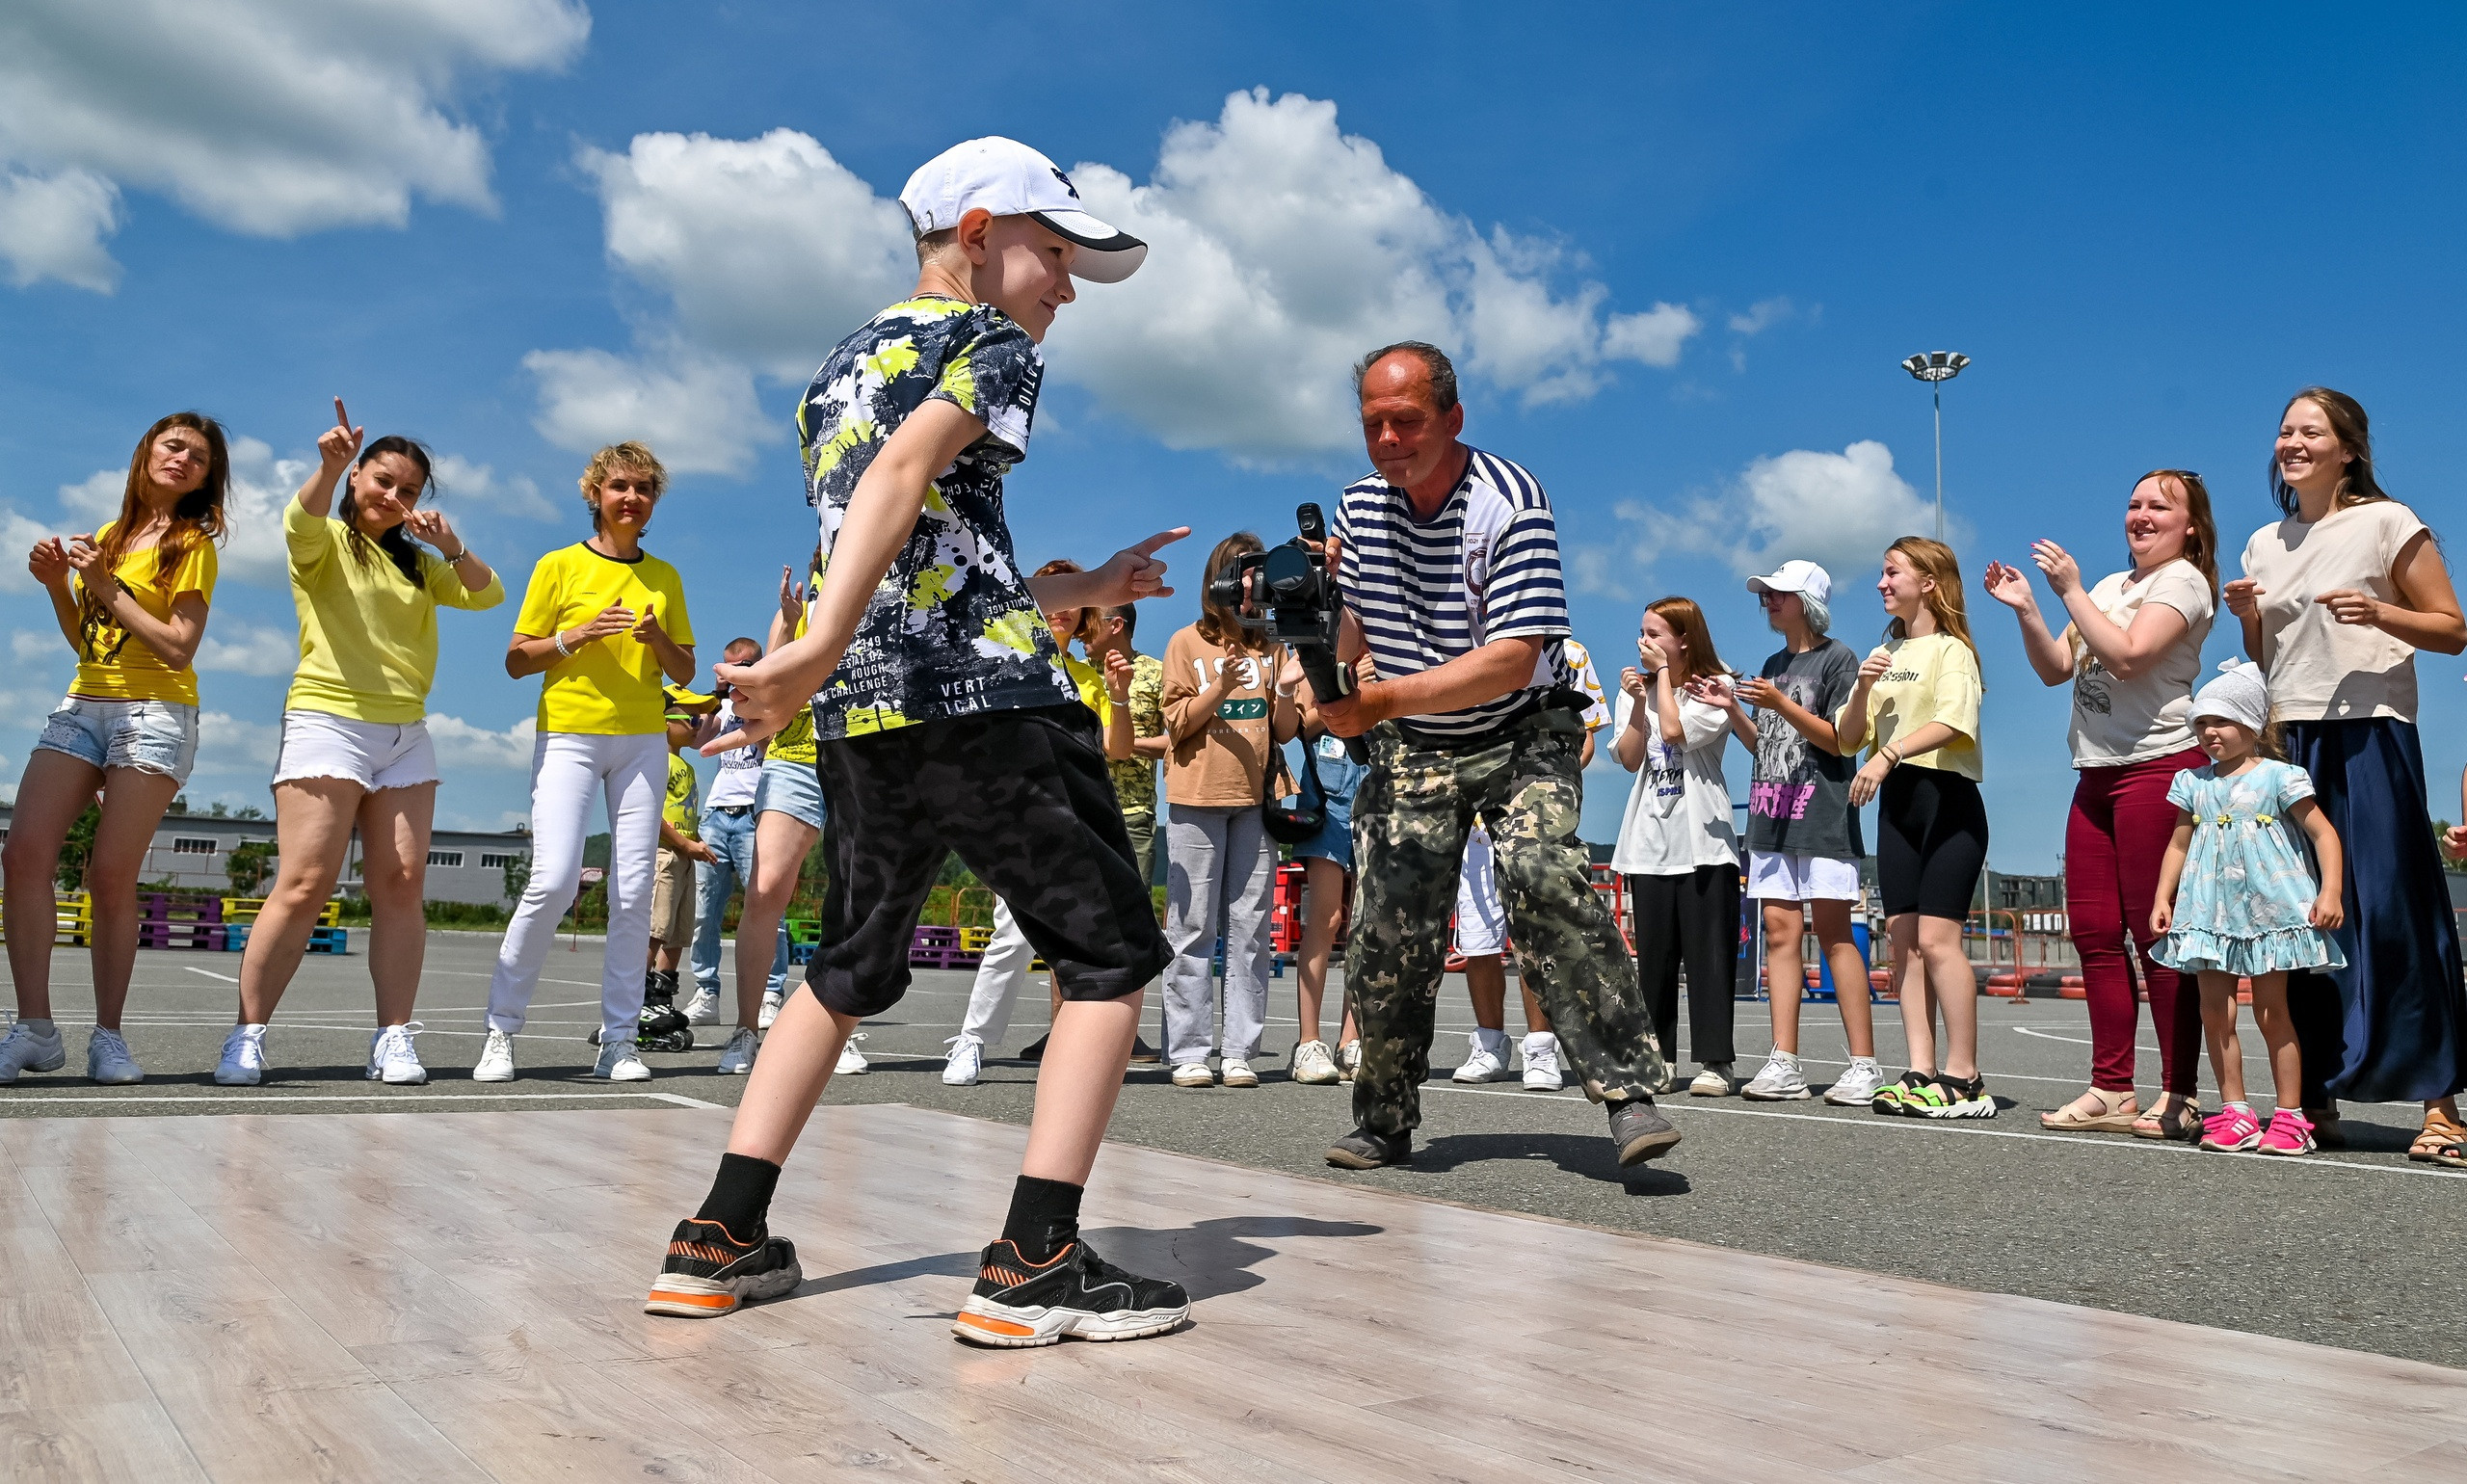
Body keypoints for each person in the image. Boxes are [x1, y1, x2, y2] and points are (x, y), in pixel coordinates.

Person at [644, 136, 1193, 1346]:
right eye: (1054, 253)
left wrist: (1083, 583)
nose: (1063, 285)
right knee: (1107, 960)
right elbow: (907, 472)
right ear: (981, 229)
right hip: (989, 710)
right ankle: (1037, 1258)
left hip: (873, 718)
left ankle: (718, 1236)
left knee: (844, 968)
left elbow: (921, 552)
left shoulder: (839, 367)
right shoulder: (988, 344)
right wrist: (813, 642)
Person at [1315, 340, 1677, 1172]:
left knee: (1546, 880)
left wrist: (1378, 699)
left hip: (1521, 731)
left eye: (1406, 420)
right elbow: (1349, 638)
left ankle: (1628, 1094)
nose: (1388, 440)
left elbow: (1516, 654)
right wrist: (1313, 626)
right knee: (1387, 926)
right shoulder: (1359, 509)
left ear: (1453, 417)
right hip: (1416, 744)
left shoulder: (1510, 500)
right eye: (1372, 424)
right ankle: (1383, 1116)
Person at [213, 401, 506, 1087]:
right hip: (329, 719)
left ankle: (394, 1037)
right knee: (306, 882)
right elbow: (298, 521)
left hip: (406, 732)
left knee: (402, 884)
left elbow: (487, 595)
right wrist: (330, 463)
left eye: (408, 490)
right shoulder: (325, 542)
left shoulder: (418, 565)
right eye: (383, 481)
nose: (394, 497)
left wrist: (450, 544)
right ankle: (247, 1036)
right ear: (356, 480)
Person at [2226, 387, 2467, 1161]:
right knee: (2300, 918)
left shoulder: (2389, 523)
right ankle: (2313, 1100)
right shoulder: (2264, 543)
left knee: (2393, 909)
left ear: (2349, 449)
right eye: (2285, 431)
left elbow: (2453, 630)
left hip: (2372, 736)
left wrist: (2380, 613)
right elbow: (2270, 665)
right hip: (2292, 740)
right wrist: (2247, 622)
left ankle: (2440, 1107)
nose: (2291, 442)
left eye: (2310, 431)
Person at [1982, 471, 2216, 1138]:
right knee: (2091, 931)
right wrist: (2029, 607)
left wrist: (2069, 590)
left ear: (2191, 526)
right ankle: (2112, 1088)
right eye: (2135, 503)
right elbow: (2059, 666)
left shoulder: (2184, 582)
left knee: (2157, 935)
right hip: (2095, 774)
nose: (2141, 515)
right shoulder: (2113, 587)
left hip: (2159, 769)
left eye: (2159, 507)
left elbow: (2130, 655)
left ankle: (2180, 1094)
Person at [0, 413, 226, 1086]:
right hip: (85, 703)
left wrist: (102, 585)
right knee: (24, 854)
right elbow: (91, 643)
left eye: (200, 457)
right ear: (146, 453)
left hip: (156, 711)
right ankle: (35, 1029)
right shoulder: (106, 538)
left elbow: (178, 645)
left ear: (209, 478)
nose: (184, 459)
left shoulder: (193, 542)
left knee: (108, 874)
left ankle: (109, 1037)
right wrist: (55, 587)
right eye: (174, 445)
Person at [483, 440, 695, 1082]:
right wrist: (576, 635)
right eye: (620, 487)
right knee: (553, 878)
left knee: (633, 894)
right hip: (570, 736)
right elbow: (517, 660)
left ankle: (620, 1041)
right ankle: (501, 1031)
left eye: (644, 488)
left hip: (641, 742)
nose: (632, 498)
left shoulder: (665, 577)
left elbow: (683, 669)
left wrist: (658, 639)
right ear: (595, 495)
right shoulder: (558, 566)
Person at [1701, 561, 1883, 1106]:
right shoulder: (1773, 663)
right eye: (1766, 594)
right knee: (1780, 936)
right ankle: (1784, 1060)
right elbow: (1767, 746)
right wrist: (1733, 708)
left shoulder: (1840, 659)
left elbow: (1837, 741)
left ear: (1807, 600)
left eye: (1778, 594)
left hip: (1822, 814)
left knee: (1833, 935)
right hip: (1770, 814)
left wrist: (1778, 702)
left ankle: (1865, 1063)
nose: (1767, 602)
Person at [943, 562, 1132, 1086]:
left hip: (1079, 815)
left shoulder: (1090, 677)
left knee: (1092, 940)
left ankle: (1082, 1056)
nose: (1064, 608)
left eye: (1075, 600)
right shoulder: (1004, 660)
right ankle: (973, 1040)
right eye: (1055, 594)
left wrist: (1118, 692)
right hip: (1016, 812)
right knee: (1012, 935)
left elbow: (1117, 751)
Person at [2149, 662, 2346, 1156]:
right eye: (2201, 723)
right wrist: (2162, 897)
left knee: (2271, 1010)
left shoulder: (2281, 777)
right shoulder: (2192, 782)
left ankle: (2290, 1115)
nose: (2209, 732)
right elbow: (2178, 844)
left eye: (2223, 720)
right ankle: (2234, 1111)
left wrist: (2331, 892)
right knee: (2215, 1013)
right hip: (2207, 913)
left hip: (2268, 912)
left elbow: (2325, 833)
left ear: (2253, 724)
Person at [1837, 537, 1993, 1120]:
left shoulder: (1953, 650)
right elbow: (1849, 737)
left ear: (1928, 581)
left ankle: (1966, 1076)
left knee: (1937, 940)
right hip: (1896, 807)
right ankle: (1920, 1068)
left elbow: (1954, 721)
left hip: (1946, 799)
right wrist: (1860, 687)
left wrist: (1889, 754)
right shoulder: (1885, 651)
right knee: (1902, 943)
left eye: (1891, 572)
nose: (1881, 583)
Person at [1159, 534, 1298, 1090]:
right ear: (1218, 579)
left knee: (1251, 930)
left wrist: (1285, 692)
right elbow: (1173, 723)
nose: (1249, 585)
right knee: (1191, 926)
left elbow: (1286, 730)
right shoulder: (1184, 642)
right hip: (1196, 796)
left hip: (1257, 799)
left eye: (1256, 575)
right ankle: (1190, 1050)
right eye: (1240, 574)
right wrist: (1218, 687)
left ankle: (1240, 1050)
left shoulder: (1274, 645)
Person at [1450, 635, 1607, 1091]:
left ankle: (1540, 1049)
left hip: (1533, 817)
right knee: (1478, 940)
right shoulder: (1466, 646)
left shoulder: (1571, 653)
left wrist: (1548, 789)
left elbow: (1587, 734)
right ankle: (1490, 1043)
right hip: (1474, 820)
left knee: (1533, 938)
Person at [1611, 597, 1742, 1098]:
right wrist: (1639, 702)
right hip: (1649, 839)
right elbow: (1628, 758)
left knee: (1709, 957)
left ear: (1684, 638)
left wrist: (1662, 678)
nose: (1644, 642)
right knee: (1655, 959)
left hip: (1704, 840)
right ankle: (1658, 1057)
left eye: (1655, 633)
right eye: (1642, 632)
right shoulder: (1640, 689)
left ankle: (1716, 1062)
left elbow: (1676, 732)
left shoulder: (1718, 684)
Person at [712, 559, 828, 1075]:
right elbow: (765, 685)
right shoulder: (801, 610)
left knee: (856, 893)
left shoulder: (893, 594)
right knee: (766, 888)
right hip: (798, 757)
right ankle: (745, 1030)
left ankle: (837, 1021)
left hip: (867, 755)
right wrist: (786, 619)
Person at [681, 638, 794, 1042]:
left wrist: (753, 697)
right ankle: (707, 992)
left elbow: (767, 742)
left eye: (744, 665)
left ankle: (771, 993)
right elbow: (699, 742)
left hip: (754, 810)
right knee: (704, 912)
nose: (734, 674)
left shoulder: (769, 702)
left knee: (766, 907)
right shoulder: (724, 706)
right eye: (728, 667)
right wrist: (716, 699)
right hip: (717, 814)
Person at [1283, 650, 1370, 1085]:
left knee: (1364, 921)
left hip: (1376, 795)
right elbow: (1301, 725)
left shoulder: (1391, 648)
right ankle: (1308, 1041)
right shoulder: (1313, 654)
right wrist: (1346, 686)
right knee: (1327, 915)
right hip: (1329, 799)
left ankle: (1349, 1040)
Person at [648, 693, 719, 1039]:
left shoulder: (686, 766)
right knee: (654, 930)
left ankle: (660, 997)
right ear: (663, 721)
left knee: (677, 932)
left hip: (686, 857)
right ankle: (630, 1001)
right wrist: (683, 843)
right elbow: (650, 811)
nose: (697, 726)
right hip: (664, 854)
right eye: (690, 720)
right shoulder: (654, 758)